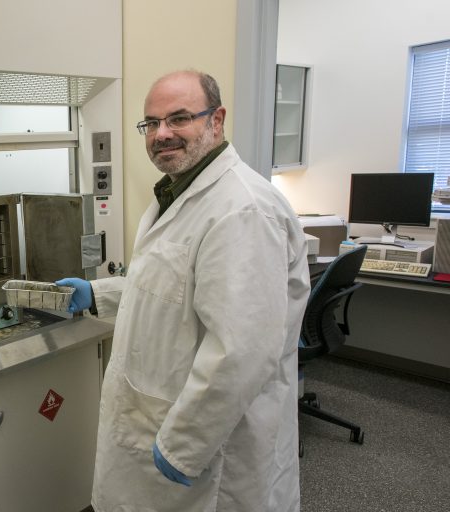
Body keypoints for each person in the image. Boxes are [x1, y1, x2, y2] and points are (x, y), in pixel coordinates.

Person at [56, 70, 310, 512]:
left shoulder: (242, 211)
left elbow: (243, 351)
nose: (162, 134)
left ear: (217, 119)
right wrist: (99, 294)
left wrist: (183, 446)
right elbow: (170, 288)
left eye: (179, 119)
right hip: (157, 420)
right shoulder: (176, 193)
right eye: (151, 124)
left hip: (209, 450)